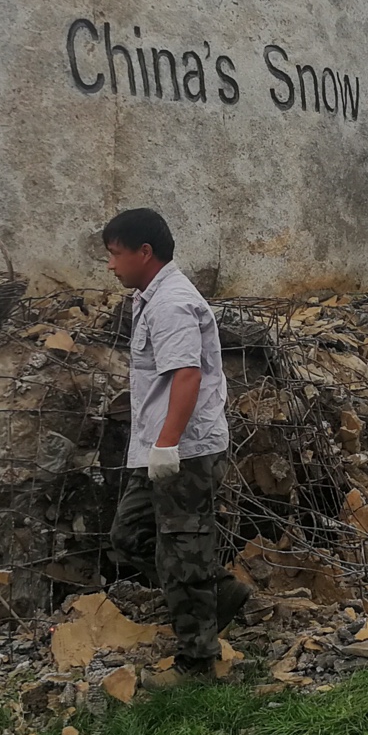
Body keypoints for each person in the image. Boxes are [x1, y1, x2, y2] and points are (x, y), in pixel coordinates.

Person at [102, 208, 248, 670]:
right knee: (130, 535)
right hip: (159, 448)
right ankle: (220, 593)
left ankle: (198, 660)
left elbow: (186, 375)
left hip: (183, 451)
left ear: (145, 253)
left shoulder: (171, 304)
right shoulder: (151, 297)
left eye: (115, 254)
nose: (111, 265)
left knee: (183, 546)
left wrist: (166, 445)